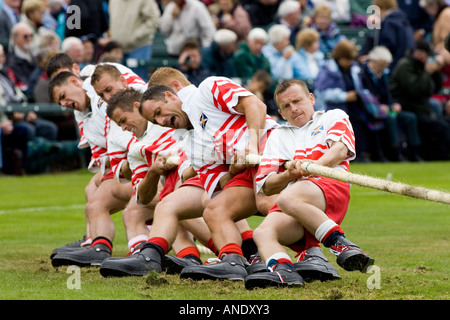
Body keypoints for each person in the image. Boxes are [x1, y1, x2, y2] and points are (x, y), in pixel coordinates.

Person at [99, 67, 275, 280]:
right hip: (244, 172)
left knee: (265, 203)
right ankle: (232, 261)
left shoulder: (208, 89)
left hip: (273, 153)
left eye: (158, 113)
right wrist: (234, 169)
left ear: (171, 93)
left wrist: (253, 146)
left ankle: (304, 256)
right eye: (155, 120)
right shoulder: (188, 141)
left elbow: (254, 104)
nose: (162, 121)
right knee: (212, 207)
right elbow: (219, 183)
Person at [244, 79, 374, 289]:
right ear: (281, 112)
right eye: (286, 106)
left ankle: (340, 244)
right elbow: (266, 186)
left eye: (297, 101)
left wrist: (313, 165)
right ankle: (284, 274)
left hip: (329, 187)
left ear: (311, 98)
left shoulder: (334, 116)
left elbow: (340, 150)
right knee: (262, 232)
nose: (293, 109)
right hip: (293, 201)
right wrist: (289, 175)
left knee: (288, 197)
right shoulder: (278, 135)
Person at [315, 39, 387, 162]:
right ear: (340, 58)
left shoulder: (354, 69)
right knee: (355, 123)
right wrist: (345, 96)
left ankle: (373, 154)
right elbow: (323, 93)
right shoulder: (327, 70)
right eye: (347, 59)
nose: (350, 62)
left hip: (354, 106)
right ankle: (358, 155)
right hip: (334, 109)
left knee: (372, 120)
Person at [390, 39, 450, 160]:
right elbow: (414, 90)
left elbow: (435, 88)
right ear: (419, 54)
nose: (428, 59)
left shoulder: (421, 65)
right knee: (440, 127)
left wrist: (436, 71)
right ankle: (441, 156)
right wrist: (427, 72)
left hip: (422, 106)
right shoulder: (405, 65)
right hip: (408, 106)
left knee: (444, 123)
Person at [361, 46, 423, 161]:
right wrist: (380, 107)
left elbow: (389, 95)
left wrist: (394, 104)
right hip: (373, 112)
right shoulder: (363, 74)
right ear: (374, 62)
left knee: (410, 118)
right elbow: (366, 97)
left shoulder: (384, 74)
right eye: (381, 65)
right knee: (391, 119)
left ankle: (414, 152)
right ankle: (395, 153)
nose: (383, 68)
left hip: (387, 109)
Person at [109, 0, 161, 81]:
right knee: (117, 83)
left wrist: (136, 35)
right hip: (118, 48)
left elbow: (154, 19)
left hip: (139, 47)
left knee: (138, 82)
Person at [360, 0, 415, 70]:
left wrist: (373, 57)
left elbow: (386, 48)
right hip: (405, 66)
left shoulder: (389, 23)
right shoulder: (402, 20)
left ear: (380, 8)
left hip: (394, 67)